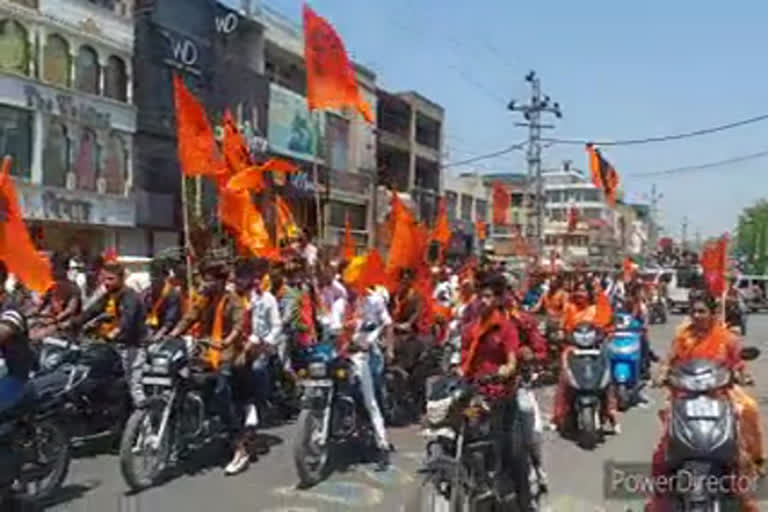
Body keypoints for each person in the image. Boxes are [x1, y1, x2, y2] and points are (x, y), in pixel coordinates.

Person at [647, 289, 763, 511]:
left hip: (719, 394)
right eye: (694, 311)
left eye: (702, 311)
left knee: (748, 411)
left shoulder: (727, 338)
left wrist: (742, 375)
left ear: (712, 313)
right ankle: (659, 500)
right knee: (662, 453)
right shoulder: (683, 336)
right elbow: (670, 362)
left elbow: (738, 364)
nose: (697, 315)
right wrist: (661, 375)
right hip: (684, 396)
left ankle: (756, 466)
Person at [458, 275, 534, 511]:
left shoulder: (506, 327)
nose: (483, 300)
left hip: (500, 394)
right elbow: (461, 356)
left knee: (512, 449)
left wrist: (504, 371)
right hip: (474, 392)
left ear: (499, 299)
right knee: (463, 433)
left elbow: (511, 361)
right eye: (481, 295)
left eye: (489, 296)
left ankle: (524, 501)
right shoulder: (471, 327)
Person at [168, 260, 247, 475]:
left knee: (222, 392)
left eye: (209, 279)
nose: (204, 283)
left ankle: (240, 448)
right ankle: (181, 435)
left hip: (226, 353)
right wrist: (171, 334)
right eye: (204, 278)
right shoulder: (203, 299)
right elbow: (189, 317)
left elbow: (239, 326)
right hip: (203, 350)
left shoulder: (234, 301)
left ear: (221, 281)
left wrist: (226, 340)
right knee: (180, 381)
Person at [77, 261, 147, 407]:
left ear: (121, 279)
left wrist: (113, 334)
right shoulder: (109, 295)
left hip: (130, 347)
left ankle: (145, 423)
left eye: (110, 279)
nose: (106, 283)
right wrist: (71, 324)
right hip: (110, 347)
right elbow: (91, 312)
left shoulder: (130, 297)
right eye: (104, 279)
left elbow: (127, 321)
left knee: (134, 388)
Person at [553, 279, 619, 433]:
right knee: (564, 379)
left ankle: (611, 413)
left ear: (589, 293)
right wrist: (559, 334)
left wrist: (608, 333)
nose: (580, 294)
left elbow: (608, 326)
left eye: (583, 290)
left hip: (596, 349)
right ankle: (560, 415)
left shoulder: (598, 309)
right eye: (577, 290)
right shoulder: (569, 308)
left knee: (607, 378)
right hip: (572, 350)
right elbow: (562, 327)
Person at [145, 260, 183, 342]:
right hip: (150, 332)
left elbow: (170, 321)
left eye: (156, 274)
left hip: (168, 335)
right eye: (152, 274)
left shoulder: (172, 294)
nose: (153, 278)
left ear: (165, 277)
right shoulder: (147, 292)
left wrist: (158, 335)